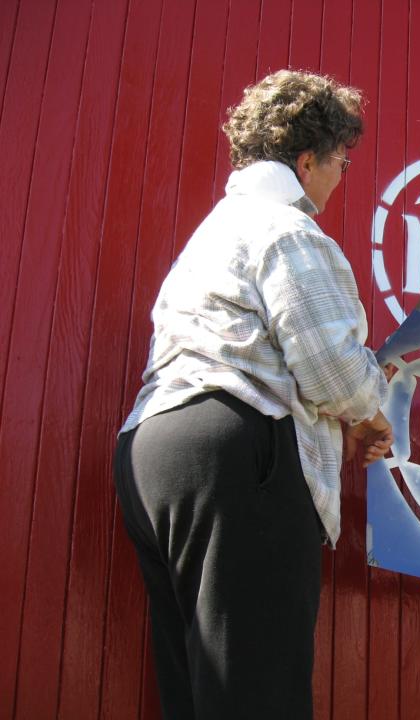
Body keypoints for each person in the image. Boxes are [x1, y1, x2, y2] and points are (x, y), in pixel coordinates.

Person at [113, 70, 392, 719]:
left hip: (154, 451)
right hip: (239, 451)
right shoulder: (287, 229)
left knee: (199, 688)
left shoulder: (214, 233)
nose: (339, 178)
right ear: (306, 159)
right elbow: (331, 370)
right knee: (257, 693)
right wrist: (373, 414)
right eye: (341, 162)